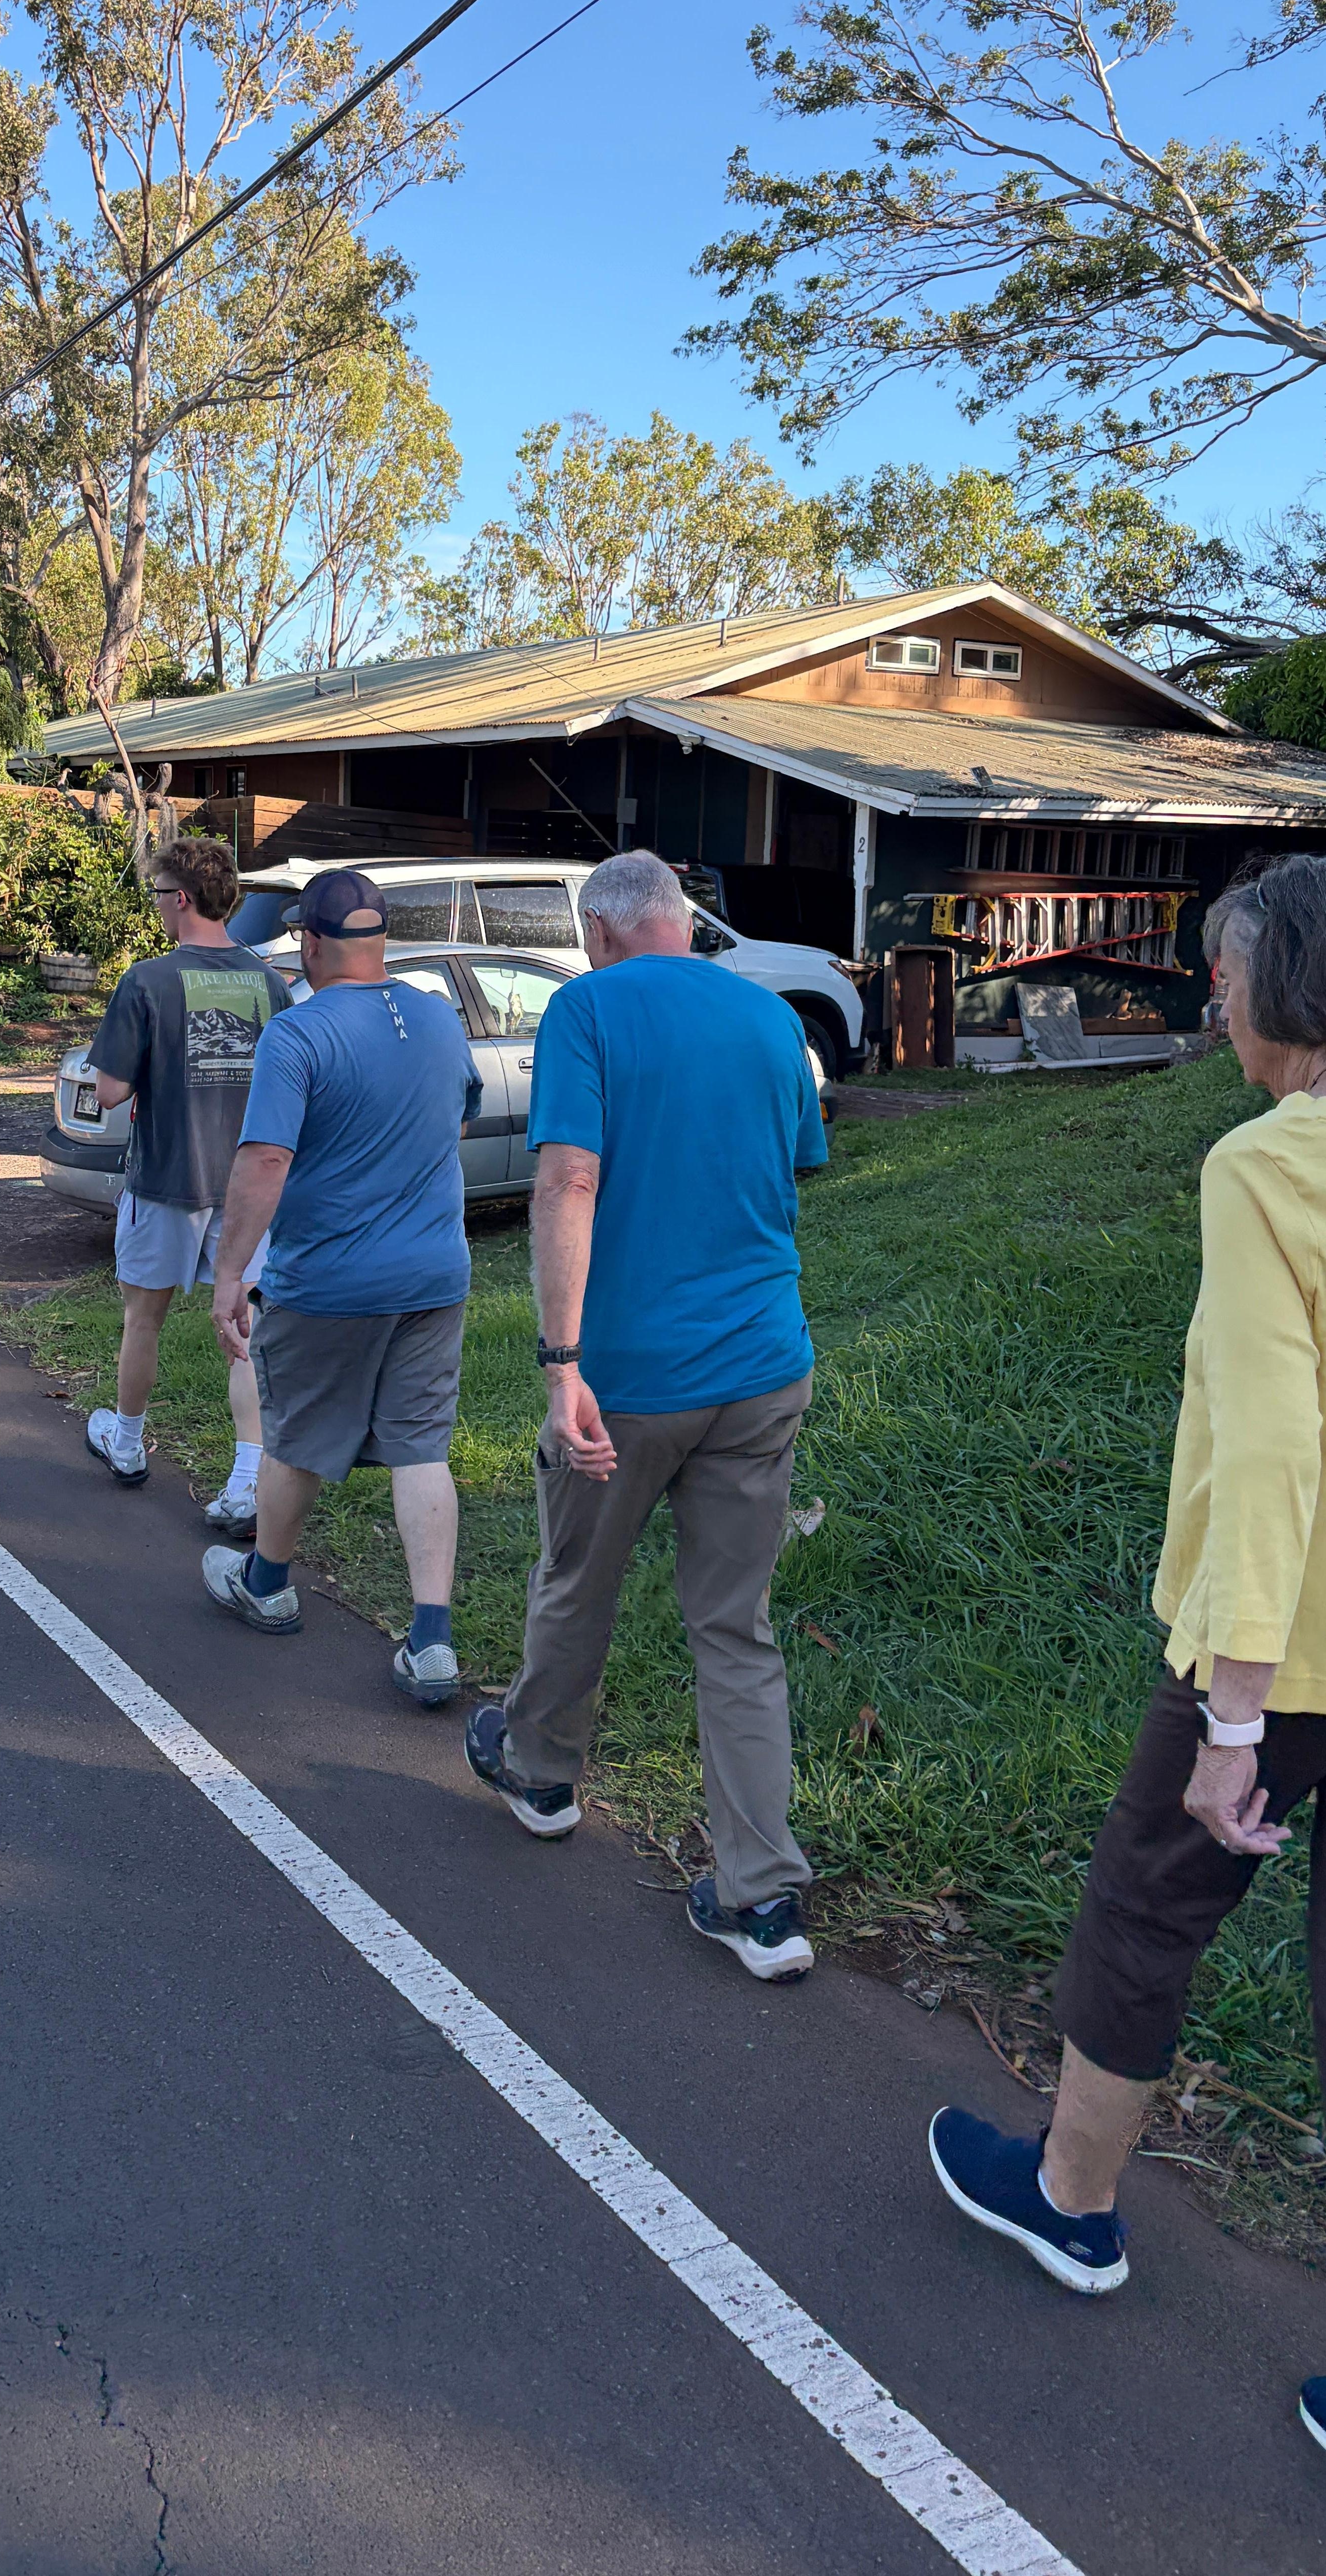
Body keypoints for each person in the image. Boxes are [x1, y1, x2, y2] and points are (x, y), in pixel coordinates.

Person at [927, 855, 1326, 2570]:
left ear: (1301, 986)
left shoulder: (1269, 1164)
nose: (1214, 1003)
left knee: (1148, 1903)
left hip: (1294, 1660)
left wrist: (1237, 1713)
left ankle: (1070, 2203)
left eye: (1225, 976)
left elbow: (1275, 1447)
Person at [460, 848, 830, 1982]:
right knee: (736, 1629)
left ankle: (542, 1772)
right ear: (680, 922)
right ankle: (764, 1897)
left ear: (604, 933)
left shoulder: (587, 1008)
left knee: (580, 1579)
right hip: (763, 1367)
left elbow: (568, 1179)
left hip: (627, 1377)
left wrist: (562, 1362)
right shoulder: (772, 1019)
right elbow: (792, 1168)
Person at [206, 868, 482, 1699]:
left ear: (312, 942)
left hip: (327, 1278)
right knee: (421, 1447)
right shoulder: (439, 1017)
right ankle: (430, 1641)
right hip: (435, 1273)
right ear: (383, 936)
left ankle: (266, 1584)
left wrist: (228, 1271)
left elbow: (264, 1159)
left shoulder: (297, 1034)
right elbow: (457, 1115)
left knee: (294, 1434)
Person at [82, 834, 292, 1531]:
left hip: (166, 1181)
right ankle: (243, 1481)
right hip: (248, 1192)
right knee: (245, 1332)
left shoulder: (146, 980)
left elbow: (109, 1092)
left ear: (180, 898)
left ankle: (129, 1443)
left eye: (157, 897)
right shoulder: (271, 984)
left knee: (144, 1320)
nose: (158, 911)